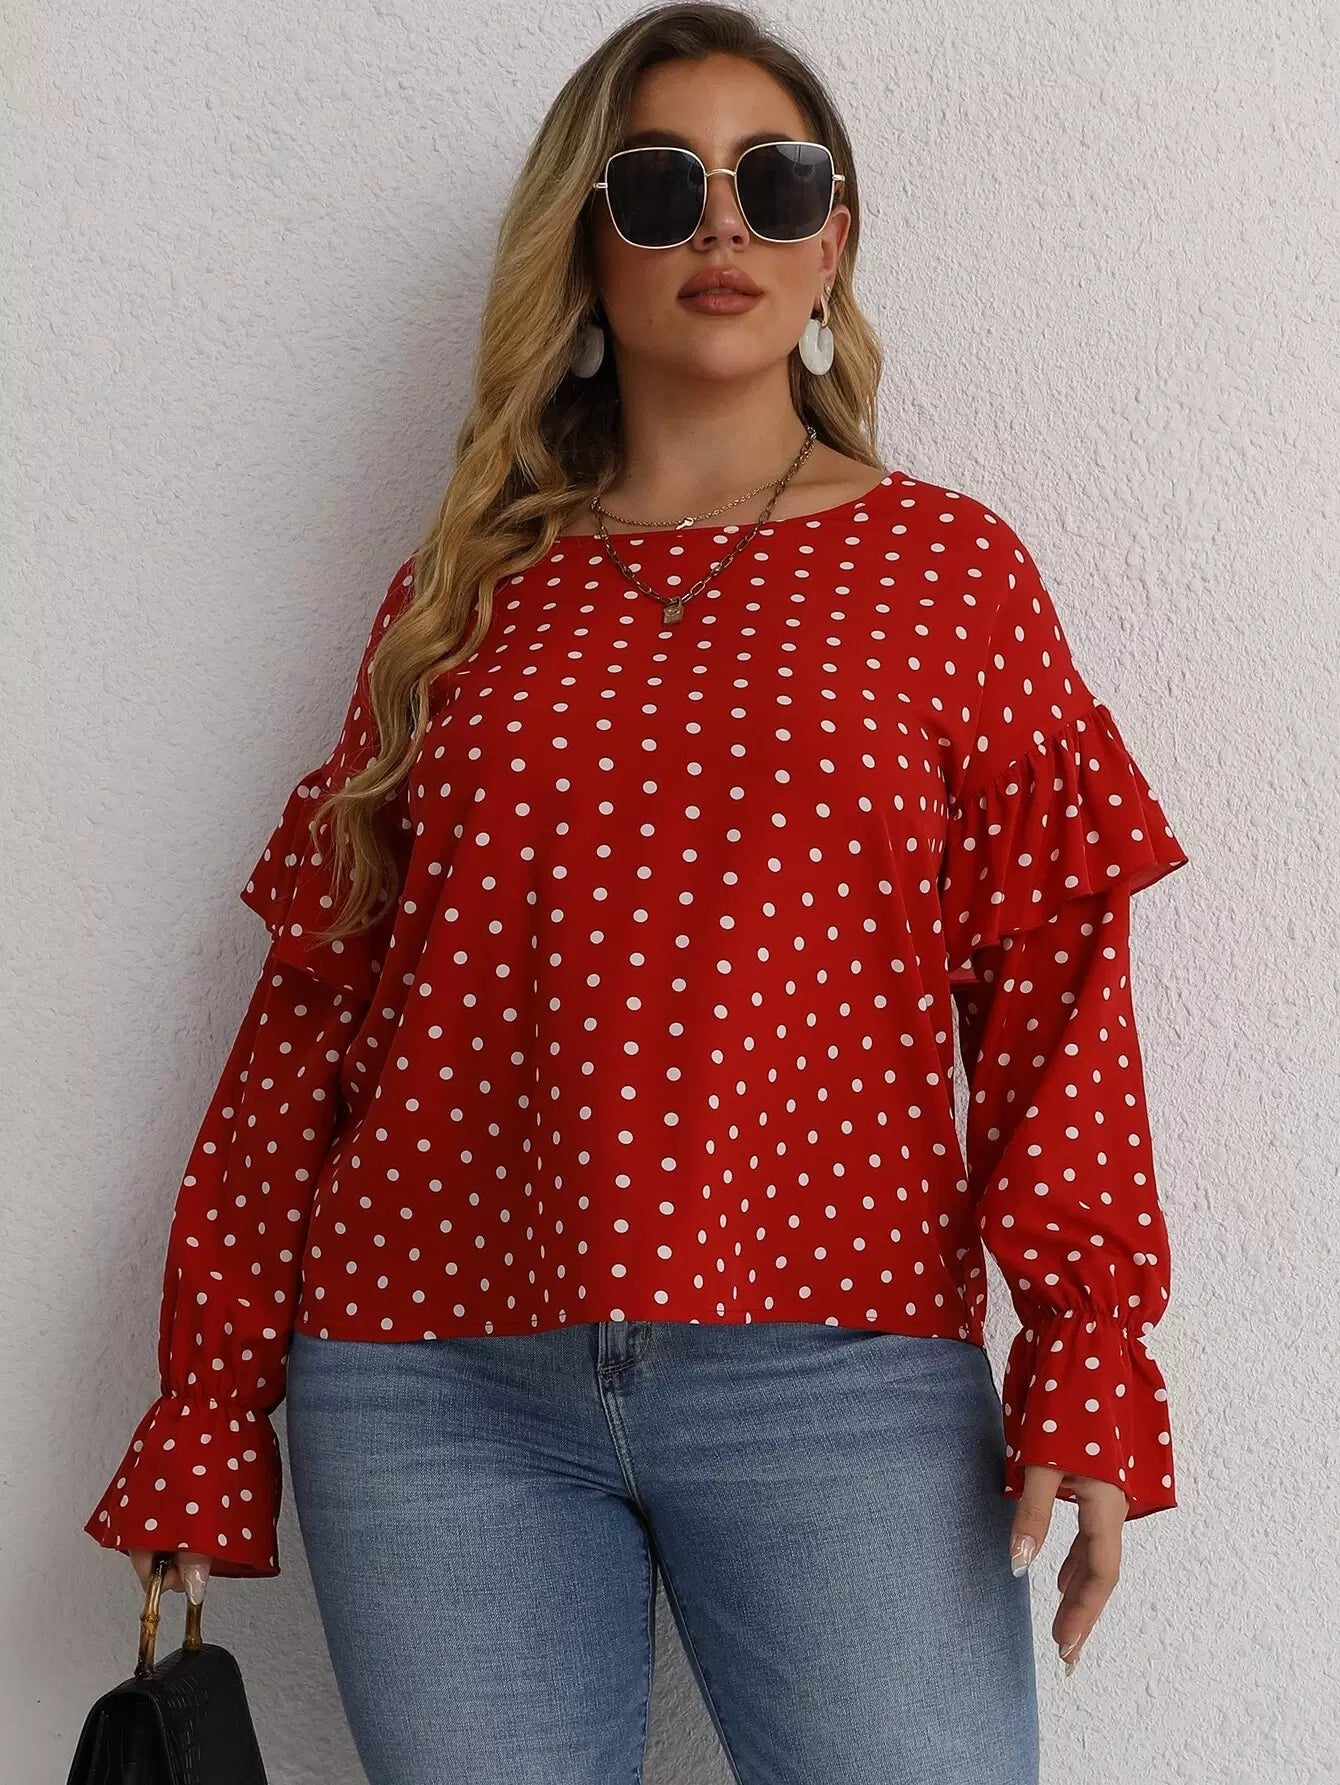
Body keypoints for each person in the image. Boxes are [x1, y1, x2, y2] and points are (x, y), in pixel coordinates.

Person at [84, 6, 1191, 1780]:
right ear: (588, 250)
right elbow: (319, 1001)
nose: (722, 223)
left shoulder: (946, 574)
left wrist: (1088, 1346)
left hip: (839, 1367)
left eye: (776, 181)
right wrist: (211, 1402)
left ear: (833, 242)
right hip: (433, 1381)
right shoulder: (460, 595)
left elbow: (1056, 983)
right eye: (662, 185)